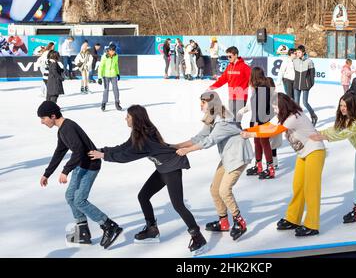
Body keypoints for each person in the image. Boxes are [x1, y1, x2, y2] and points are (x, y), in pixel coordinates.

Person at [88, 105, 208, 255]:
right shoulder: (140, 132)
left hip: (172, 167)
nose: (125, 118)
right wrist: (103, 150)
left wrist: (104, 156)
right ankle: (152, 229)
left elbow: (126, 156)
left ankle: (198, 237)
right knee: (143, 196)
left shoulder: (144, 138)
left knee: (178, 204)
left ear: (136, 119)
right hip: (162, 167)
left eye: (128, 116)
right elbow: (124, 147)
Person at [37, 101, 122, 249]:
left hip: (90, 166)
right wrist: (47, 174)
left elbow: (79, 151)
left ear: (52, 116)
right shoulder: (62, 130)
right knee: (70, 197)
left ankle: (109, 226)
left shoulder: (68, 127)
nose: (42, 122)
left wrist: (65, 171)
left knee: (79, 200)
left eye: (43, 118)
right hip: (81, 165)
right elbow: (59, 152)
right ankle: (83, 232)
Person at [241, 93, 326, 237]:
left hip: (315, 151)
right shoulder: (284, 116)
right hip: (304, 153)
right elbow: (268, 126)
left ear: (283, 106)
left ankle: (312, 224)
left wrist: (250, 135)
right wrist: (247, 130)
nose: (274, 110)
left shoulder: (294, 117)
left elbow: (273, 131)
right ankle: (293, 219)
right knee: (298, 186)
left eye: (275, 107)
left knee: (311, 188)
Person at [173, 91, 254, 241]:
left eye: (202, 103)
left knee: (224, 190)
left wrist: (187, 151)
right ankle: (223, 221)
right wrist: (175, 145)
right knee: (215, 189)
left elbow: (209, 141)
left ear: (210, 103)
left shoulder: (223, 120)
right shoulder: (213, 116)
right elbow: (199, 137)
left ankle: (239, 222)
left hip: (238, 156)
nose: (200, 106)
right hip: (228, 157)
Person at [310, 93, 356, 230]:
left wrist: (323, 137)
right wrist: (317, 132)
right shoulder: (345, 118)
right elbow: (335, 129)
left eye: (346, 106)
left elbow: (343, 134)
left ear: (352, 106)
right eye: (341, 105)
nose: (343, 108)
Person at [240, 68, 276, 179]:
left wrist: (256, 122)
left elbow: (261, 108)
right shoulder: (257, 89)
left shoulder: (263, 89)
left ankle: (270, 169)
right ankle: (258, 165)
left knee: (264, 143)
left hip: (261, 121)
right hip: (255, 120)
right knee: (257, 143)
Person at [209, 46, 252, 124]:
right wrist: (212, 87)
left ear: (235, 55)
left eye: (230, 56)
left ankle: (238, 135)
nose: (228, 58)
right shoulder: (229, 67)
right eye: (227, 56)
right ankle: (233, 135)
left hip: (241, 97)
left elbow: (252, 79)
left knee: (237, 120)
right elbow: (222, 79)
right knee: (231, 119)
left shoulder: (244, 67)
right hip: (231, 97)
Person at [293, 45, 318, 126]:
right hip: (297, 85)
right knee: (296, 104)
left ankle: (313, 116)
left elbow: (312, 74)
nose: (297, 53)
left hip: (305, 85)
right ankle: (298, 120)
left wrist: (310, 84)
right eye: (297, 52)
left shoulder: (309, 61)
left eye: (299, 52)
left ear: (303, 52)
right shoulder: (295, 61)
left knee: (305, 102)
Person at [98, 44, 122, 112]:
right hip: (106, 75)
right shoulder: (104, 56)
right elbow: (101, 67)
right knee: (106, 90)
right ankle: (103, 103)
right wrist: (99, 77)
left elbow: (116, 65)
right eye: (111, 50)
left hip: (113, 75)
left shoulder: (116, 56)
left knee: (116, 89)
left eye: (113, 51)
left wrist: (118, 73)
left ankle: (117, 103)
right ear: (108, 50)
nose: (112, 52)